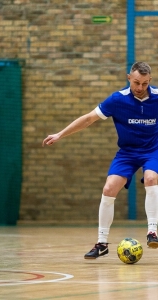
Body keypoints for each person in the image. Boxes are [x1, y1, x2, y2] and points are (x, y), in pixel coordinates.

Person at [42, 61, 158, 259]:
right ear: (128, 78)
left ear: (150, 81)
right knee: (108, 189)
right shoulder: (117, 100)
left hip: (153, 150)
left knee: (150, 178)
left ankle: (152, 231)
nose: (140, 88)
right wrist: (60, 134)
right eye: (137, 82)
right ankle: (102, 243)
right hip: (128, 152)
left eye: (145, 84)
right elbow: (88, 119)